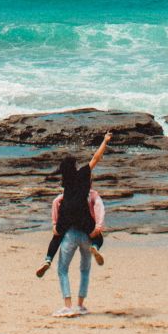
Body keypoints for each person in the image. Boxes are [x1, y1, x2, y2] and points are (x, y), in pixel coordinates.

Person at [37, 130, 111, 316]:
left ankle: (67, 306)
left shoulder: (67, 182)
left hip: (68, 229)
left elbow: (58, 202)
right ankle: (81, 305)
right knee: (85, 269)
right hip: (86, 229)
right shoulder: (84, 175)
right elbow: (96, 157)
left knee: (62, 269)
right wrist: (105, 140)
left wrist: (56, 225)